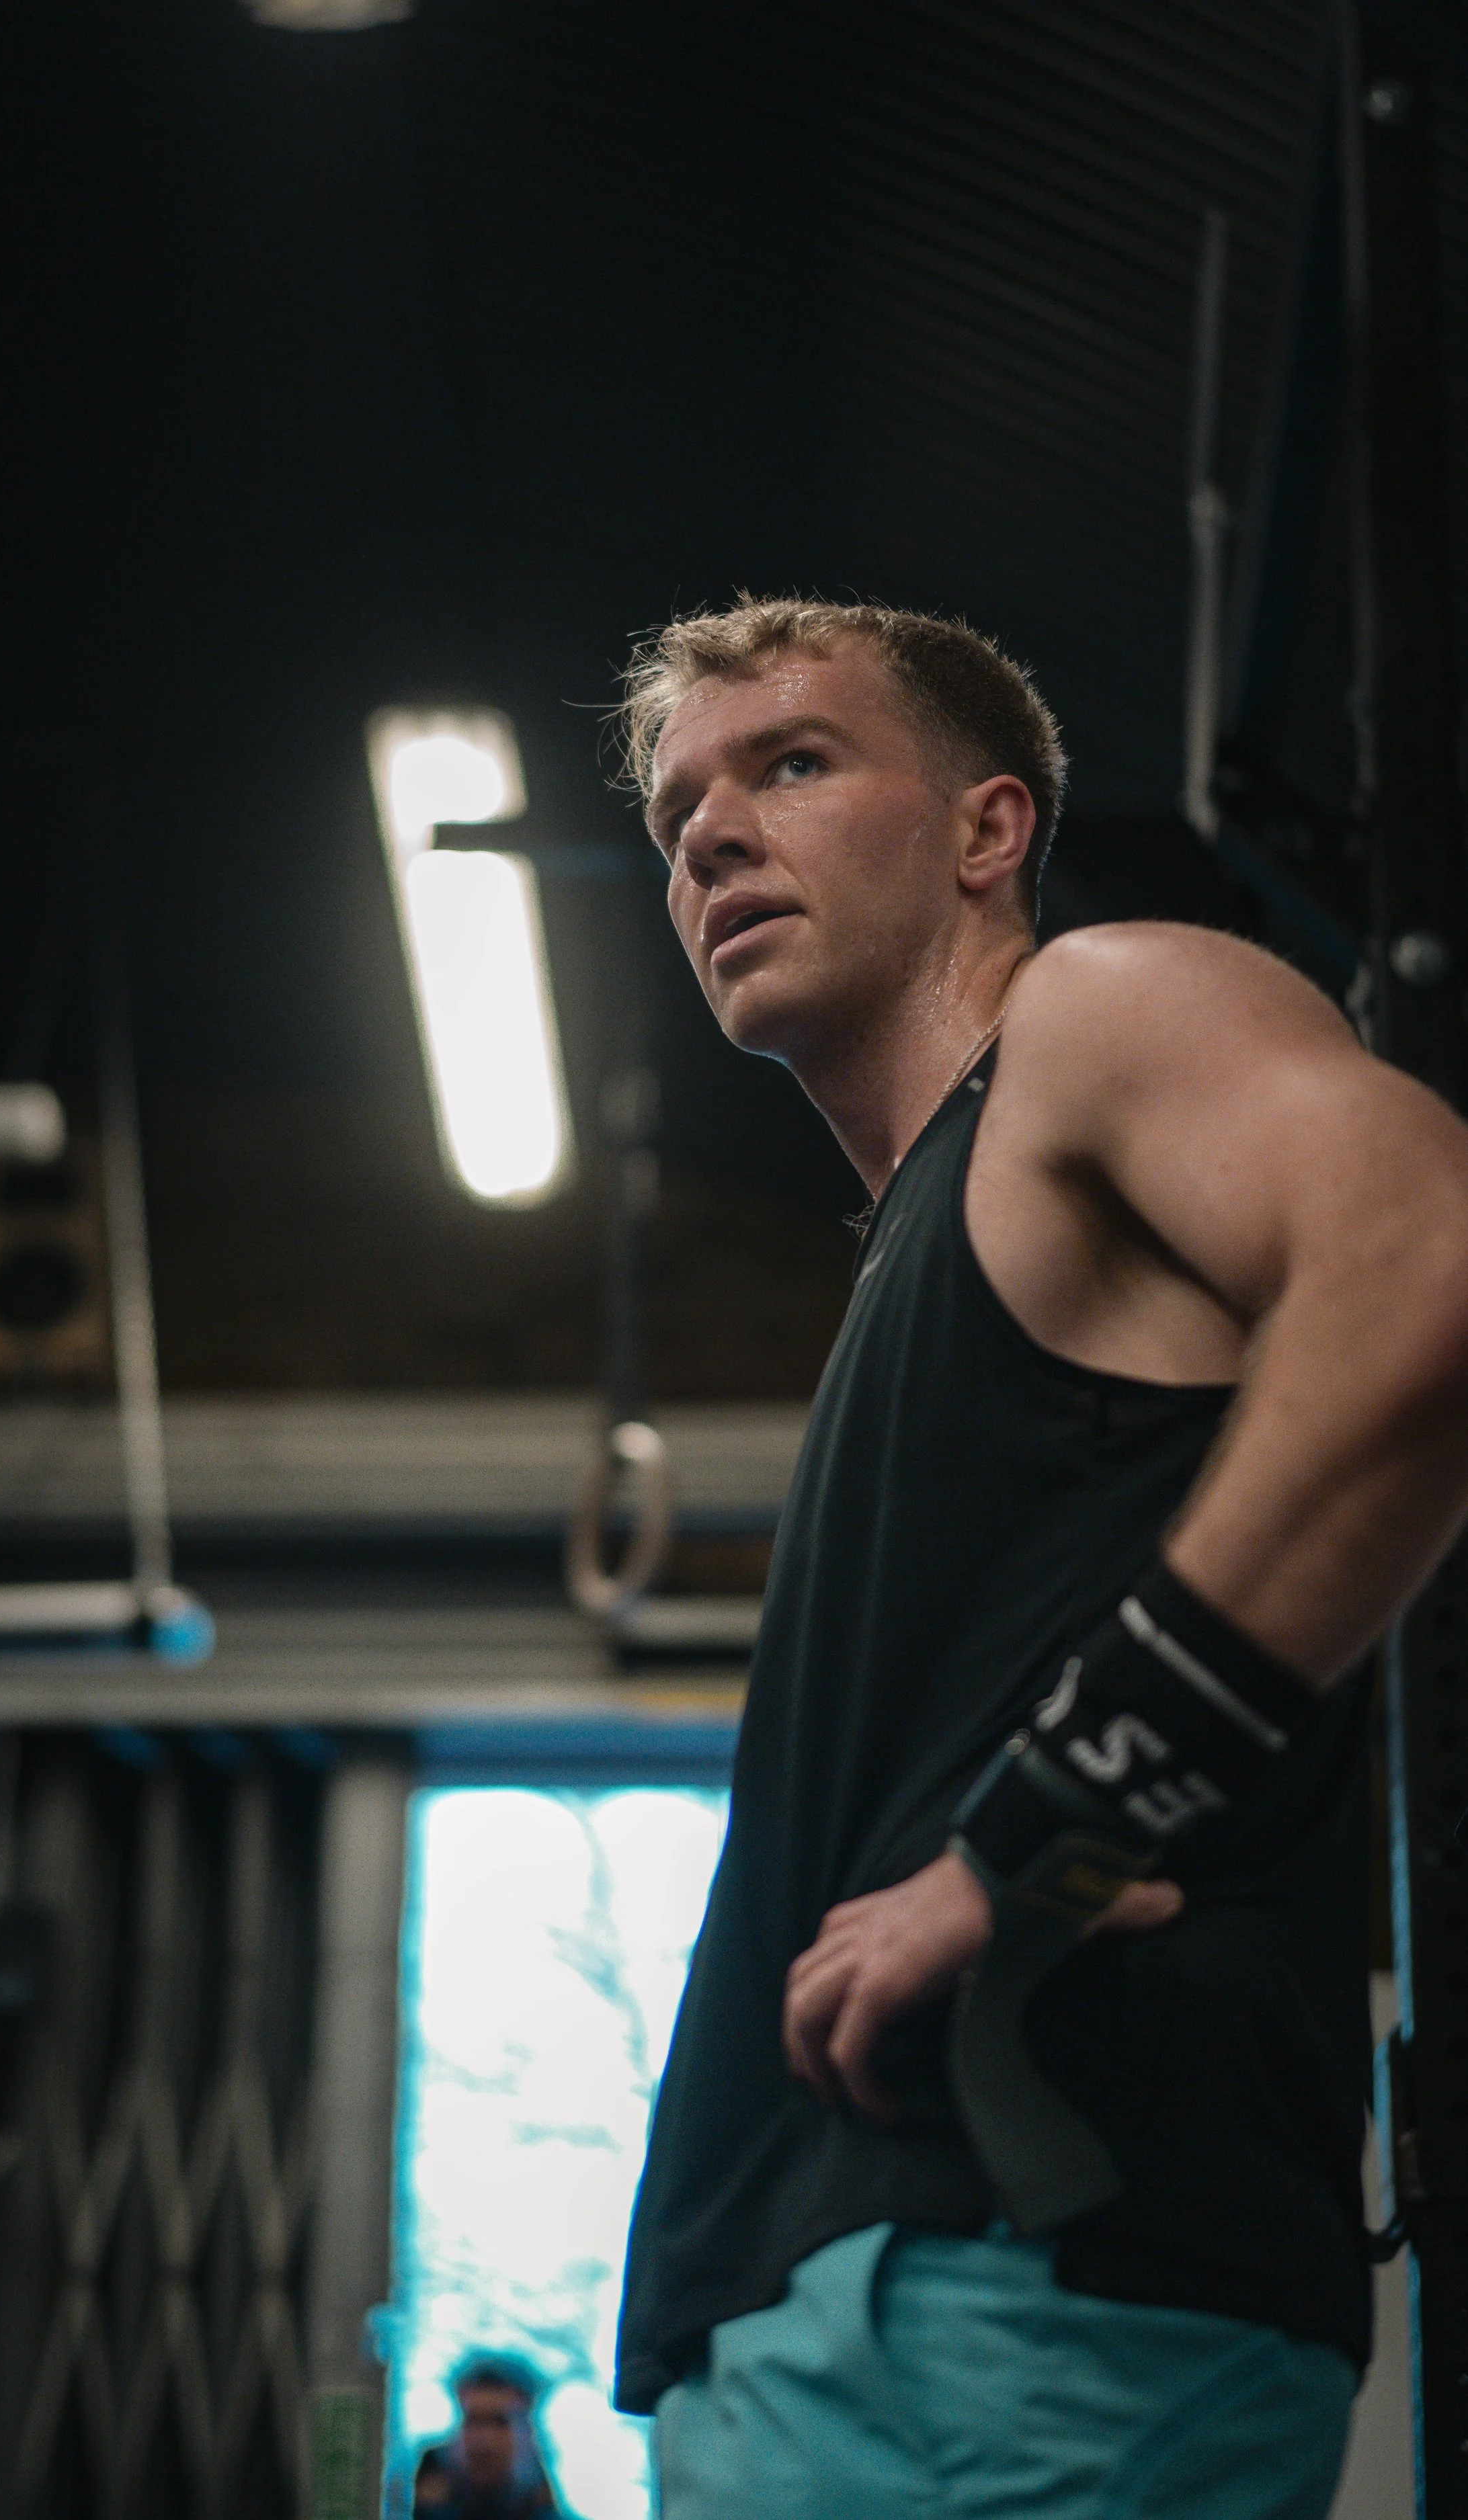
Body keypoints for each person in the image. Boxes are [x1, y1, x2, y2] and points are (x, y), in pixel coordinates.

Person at [609, 597, 1468, 2520]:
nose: (712, 835)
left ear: (988, 828)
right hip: (795, 2330)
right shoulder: (920, 1250)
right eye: (676, 816)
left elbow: (1424, 1274)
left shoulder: (1100, 1012)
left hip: (1021, 2296)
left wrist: (1041, 1834)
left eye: (793, 764)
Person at [411, 2356, 561, 2519]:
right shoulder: (424, 2494)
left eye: (500, 2422)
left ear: (528, 2432)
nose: (484, 2440)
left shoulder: (548, 2500)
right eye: (472, 2421)